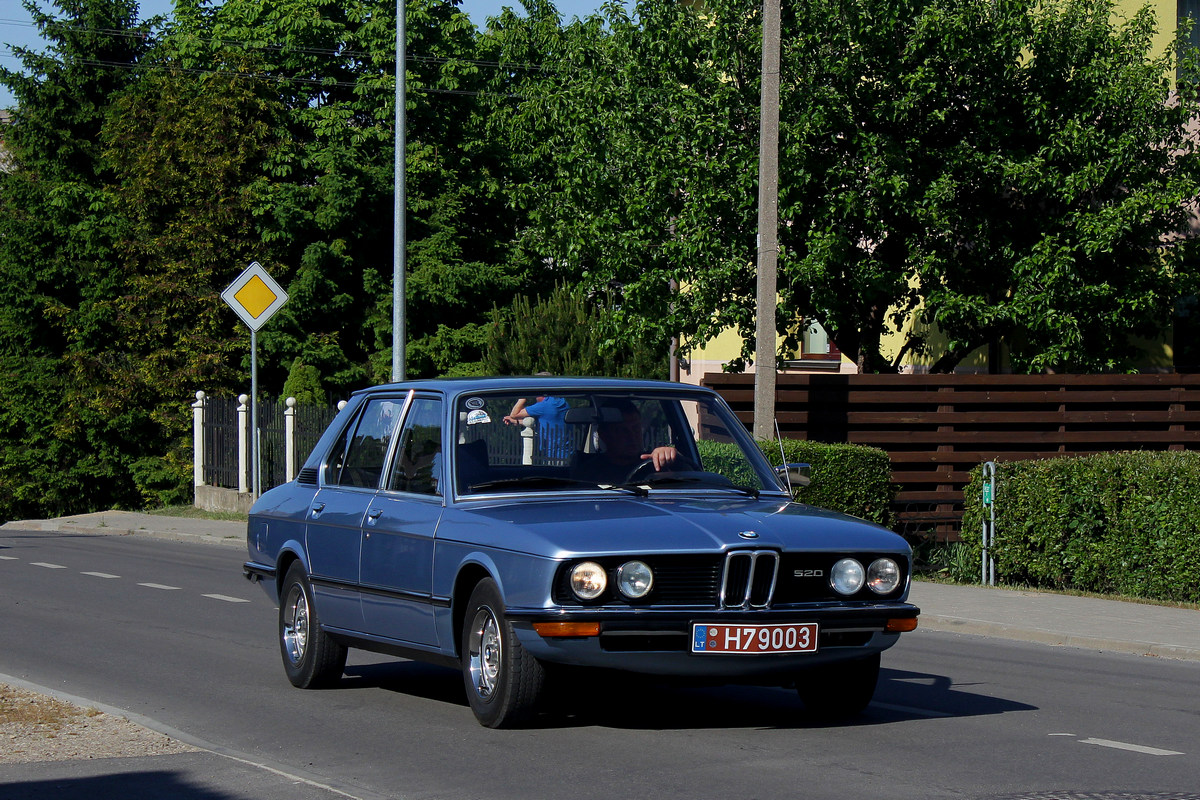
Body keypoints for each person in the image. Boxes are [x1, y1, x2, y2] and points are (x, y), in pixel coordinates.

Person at [572, 399, 678, 484]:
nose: (632, 436)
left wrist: (669, 456)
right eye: (622, 430)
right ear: (604, 435)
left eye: (636, 428)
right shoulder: (589, 474)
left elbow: (686, 482)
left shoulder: (656, 465)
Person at [504, 394, 570, 459]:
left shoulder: (543, 406)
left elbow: (514, 414)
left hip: (552, 455)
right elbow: (545, 422)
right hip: (567, 452)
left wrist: (523, 398)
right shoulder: (562, 403)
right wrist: (515, 421)